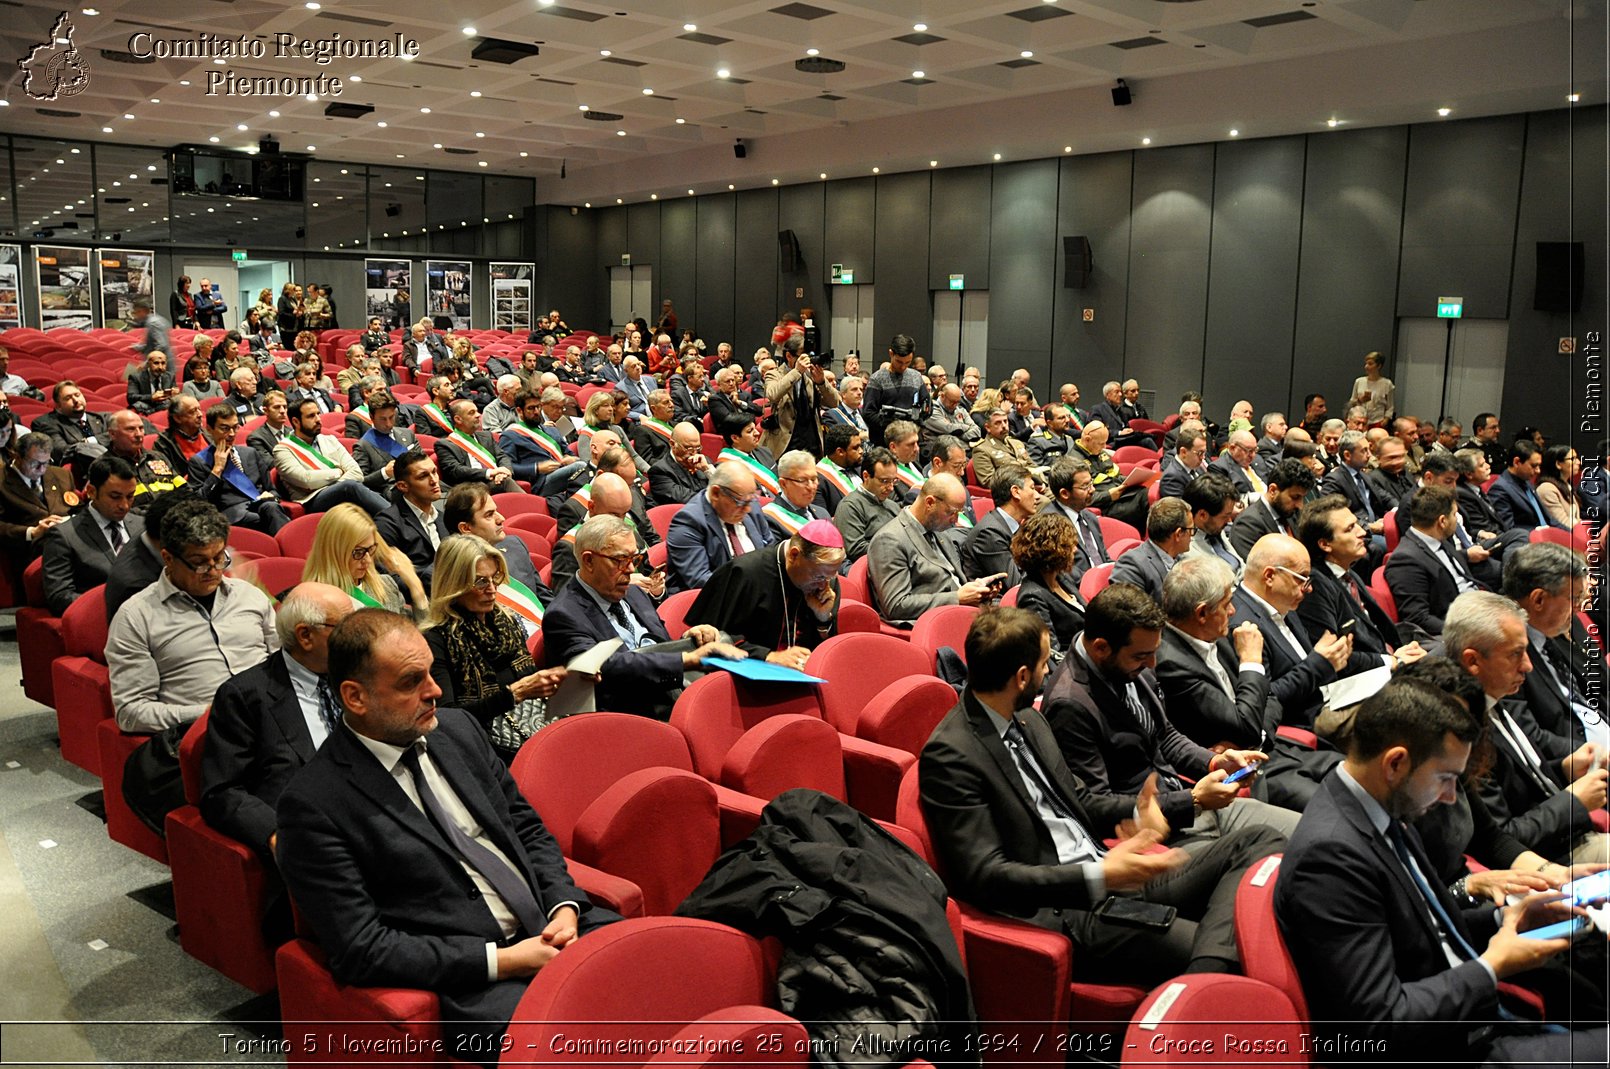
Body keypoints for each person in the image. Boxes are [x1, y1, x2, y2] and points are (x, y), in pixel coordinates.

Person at [274, 609, 619, 1059]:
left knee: (660, 973)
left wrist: (564, 906)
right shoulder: (313, 804)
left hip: (556, 927)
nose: (435, 691)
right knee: (588, 1046)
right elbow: (360, 948)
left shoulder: (456, 731)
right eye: (410, 682)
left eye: (431, 674)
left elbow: (526, 828)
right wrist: (504, 961)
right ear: (355, 697)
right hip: (478, 978)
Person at [919, 606, 1286, 984]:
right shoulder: (952, 756)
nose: (1050, 673)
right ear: (1022, 676)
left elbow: (1081, 800)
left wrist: (1153, 811)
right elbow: (986, 875)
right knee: (1243, 945)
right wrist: (1097, 875)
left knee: (1262, 840)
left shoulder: (1028, 719)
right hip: (1070, 909)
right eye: (1046, 664)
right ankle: (1213, 985)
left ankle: (1211, 965)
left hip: (1112, 869)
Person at [1275, 679, 1606, 1066]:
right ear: (1395, 763)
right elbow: (1379, 1025)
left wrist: (1509, 916)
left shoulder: (1381, 807)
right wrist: (1493, 965)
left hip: (1466, 1016)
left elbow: (1426, 928)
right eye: (1446, 778)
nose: (1451, 797)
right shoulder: (1329, 859)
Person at [1041, 584, 1298, 846]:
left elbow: (1165, 735)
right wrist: (1192, 800)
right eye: (1142, 656)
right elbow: (1094, 804)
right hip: (1155, 836)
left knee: (1308, 836)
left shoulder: (1129, 664)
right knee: (1274, 858)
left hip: (1189, 806)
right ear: (1101, 648)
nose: (1153, 664)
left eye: (1154, 652)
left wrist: (1214, 763)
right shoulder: (1070, 704)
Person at [1446, 592, 1609, 865]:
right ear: (1473, 661)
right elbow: (1501, 839)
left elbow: (1521, 781)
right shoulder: (1462, 733)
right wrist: (1573, 801)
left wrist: (1564, 767)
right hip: (1546, 861)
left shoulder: (1495, 697)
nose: (1528, 666)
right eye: (1515, 654)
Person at [200, 582, 355, 862]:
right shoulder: (245, 696)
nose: (356, 636)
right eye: (345, 628)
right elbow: (222, 792)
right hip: (314, 831)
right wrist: (275, 833)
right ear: (305, 636)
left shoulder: (358, 676)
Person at [542, 516, 748, 718]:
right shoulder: (563, 615)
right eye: (621, 560)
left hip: (671, 693)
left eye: (634, 559)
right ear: (588, 560)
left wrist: (689, 640)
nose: (631, 569)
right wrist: (688, 659)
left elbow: (658, 646)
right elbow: (606, 668)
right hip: (629, 716)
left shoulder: (633, 592)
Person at [105, 500, 278, 733]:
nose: (213, 570)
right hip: (207, 732)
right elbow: (130, 712)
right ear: (168, 559)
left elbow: (283, 662)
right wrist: (207, 713)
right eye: (199, 563)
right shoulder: (136, 616)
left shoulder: (249, 595)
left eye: (219, 558)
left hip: (274, 716)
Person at [423, 535, 568, 758]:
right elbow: (446, 718)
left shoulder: (504, 620)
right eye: (480, 581)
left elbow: (529, 680)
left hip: (530, 726)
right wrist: (514, 693)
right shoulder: (435, 639)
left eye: (495, 578)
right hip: (479, 746)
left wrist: (559, 680)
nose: (492, 589)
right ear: (454, 584)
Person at [1234, 533, 1354, 738]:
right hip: (1301, 725)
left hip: (1326, 700)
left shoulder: (1283, 604)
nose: (1309, 588)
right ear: (1270, 576)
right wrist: (1320, 664)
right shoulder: (1243, 627)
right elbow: (1265, 699)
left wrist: (1330, 659)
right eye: (1301, 579)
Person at [685, 520, 846, 665]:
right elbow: (711, 639)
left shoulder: (827, 583)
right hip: (745, 682)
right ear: (794, 555)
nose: (823, 584)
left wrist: (823, 618)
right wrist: (768, 656)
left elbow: (825, 649)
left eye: (830, 576)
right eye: (818, 576)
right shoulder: (745, 573)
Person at [1297, 494, 1427, 668]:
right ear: (1325, 544)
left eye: (1357, 524)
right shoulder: (1315, 588)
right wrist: (1393, 661)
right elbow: (1335, 657)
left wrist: (1402, 651)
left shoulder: (1348, 573)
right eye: (1350, 529)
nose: (1362, 532)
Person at [867, 474, 1001, 626]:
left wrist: (977, 590)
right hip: (933, 623)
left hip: (961, 612)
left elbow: (952, 579)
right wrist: (957, 597)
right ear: (930, 502)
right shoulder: (889, 540)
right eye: (951, 512)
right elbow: (896, 605)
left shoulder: (938, 529)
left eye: (959, 513)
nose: (956, 520)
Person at [41, 455, 142, 615]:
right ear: (91, 492)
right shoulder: (63, 536)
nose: (124, 505)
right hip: (104, 618)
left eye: (130, 496)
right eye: (115, 497)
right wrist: (115, 607)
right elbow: (59, 596)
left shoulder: (141, 526)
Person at [1385, 486, 1483, 637]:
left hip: (1477, 606)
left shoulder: (1438, 538)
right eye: (1455, 515)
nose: (1457, 520)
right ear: (1442, 521)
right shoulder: (1405, 560)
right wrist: (1466, 631)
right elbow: (1418, 618)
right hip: (1460, 625)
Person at [665, 462, 775, 595]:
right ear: (716, 493)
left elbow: (771, 549)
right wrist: (755, 588)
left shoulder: (749, 503)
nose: (748, 509)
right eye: (741, 502)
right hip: (712, 602)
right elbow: (702, 580)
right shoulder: (688, 522)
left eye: (751, 499)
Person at [303, 502, 427, 618]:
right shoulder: (312, 601)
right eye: (358, 552)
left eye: (371, 549)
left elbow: (418, 636)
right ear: (333, 552)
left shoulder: (386, 585)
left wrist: (417, 590)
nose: (367, 560)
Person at [273, 398, 392, 514]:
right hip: (312, 500)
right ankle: (396, 519)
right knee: (349, 486)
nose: (318, 419)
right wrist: (338, 472)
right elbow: (306, 480)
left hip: (343, 491)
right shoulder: (283, 449)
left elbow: (357, 473)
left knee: (368, 495)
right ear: (296, 422)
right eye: (311, 416)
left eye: (318, 414)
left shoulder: (330, 440)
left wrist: (335, 484)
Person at [187, 404, 290, 535]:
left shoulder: (250, 453)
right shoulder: (199, 461)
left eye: (235, 428)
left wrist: (271, 496)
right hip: (231, 515)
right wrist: (217, 469)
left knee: (272, 507)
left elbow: (272, 490)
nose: (231, 434)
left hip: (262, 506)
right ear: (209, 429)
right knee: (268, 515)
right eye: (224, 428)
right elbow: (198, 503)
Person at [1010, 510, 1085, 665]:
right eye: (1069, 545)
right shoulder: (1032, 596)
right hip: (1073, 669)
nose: (1075, 550)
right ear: (1053, 549)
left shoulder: (1061, 578)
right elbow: (1052, 654)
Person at [375, 450, 448, 589]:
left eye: (434, 472)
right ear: (403, 486)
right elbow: (388, 579)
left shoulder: (443, 516)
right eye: (423, 476)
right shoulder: (387, 523)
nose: (434, 481)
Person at [961, 465, 1040, 585]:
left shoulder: (1018, 526)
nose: (1038, 496)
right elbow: (1014, 584)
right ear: (1016, 492)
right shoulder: (989, 533)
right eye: (1032, 488)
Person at [1227, 458, 1314, 560]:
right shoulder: (1247, 525)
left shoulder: (1291, 513)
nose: (1300, 505)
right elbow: (1255, 571)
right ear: (1273, 490)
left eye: (1302, 498)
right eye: (1295, 497)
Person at [0, 431, 72, 552]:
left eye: (46, 462)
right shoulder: (2, 480)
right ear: (17, 457)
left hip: (69, 541)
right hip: (29, 549)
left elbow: (77, 507)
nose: (41, 469)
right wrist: (32, 532)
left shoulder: (61, 474)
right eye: (34, 463)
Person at [835, 447, 904, 563]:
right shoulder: (850, 506)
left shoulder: (892, 505)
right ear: (866, 476)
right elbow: (855, 549)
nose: (891, 488)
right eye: (884, 481)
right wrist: (898, 549)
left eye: (894, 481)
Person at [862, 334, 930, 447]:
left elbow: (927, 406)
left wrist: (917, 419)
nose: (903, 366)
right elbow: (868, 413)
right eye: (899, 362)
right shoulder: (877, 379)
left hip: (912, 440)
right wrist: (892, 424)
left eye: (907, 362)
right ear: (891, 353)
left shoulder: (916, 377)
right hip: (885, 443)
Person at [30, 381, 109, 467]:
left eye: (77, 395)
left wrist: (90, 441)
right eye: (68, 398)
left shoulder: (103, 418)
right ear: (58, 406)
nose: (75, 400)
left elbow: (121, 437)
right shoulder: (45, 423)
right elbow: (61, 451)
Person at [762, 450, 830, 538]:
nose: (811, 487)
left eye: (813, 479)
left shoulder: (822, 513)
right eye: (802, 480)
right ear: (783, 484)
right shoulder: (769, 518)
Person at [646, 421, 712, 507]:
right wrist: (717, 499)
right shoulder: (659, 471)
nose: (694, 453)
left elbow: (725, 489)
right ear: (672, 444)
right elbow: (687, 499)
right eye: (688, 448)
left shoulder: (704, 461)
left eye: (698, 447)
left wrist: (707, 470)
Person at [970, 407, 1032, 489]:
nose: (1004, 426)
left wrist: (1042, 482)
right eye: (998, 423)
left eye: (1005, 421)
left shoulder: (1017, 443)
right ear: (988, 427)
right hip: (1013, 491)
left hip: (1032, 485)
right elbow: (989, 481)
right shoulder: (981, 449)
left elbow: (1032, 465)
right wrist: (1024, 483)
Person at [1534, 444, 1582, 529]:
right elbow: (1562, 523)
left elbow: (1576, 519)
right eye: (1572, 459)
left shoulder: (1567, 485)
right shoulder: (1546, 489)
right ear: (1558, 464)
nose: (1578, 462)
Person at [1347, 349, 1395, 427]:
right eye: (1366, 364)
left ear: (1379, 366)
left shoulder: (1387, 384)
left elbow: (1390, 406)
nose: (1366, 366)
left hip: (1378, 421)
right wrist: (1360, 400)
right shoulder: (1359, 381)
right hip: (1360, 421)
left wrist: (1386, 419)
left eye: (1370, 364)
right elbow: (1352, 402)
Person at [1158, 426, 1209, 499]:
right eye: (1200, 453)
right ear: (1183, 452)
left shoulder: (1197, 467)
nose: (1203, 457)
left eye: (1204, 453)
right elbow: (1181, 509)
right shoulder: (1171, 478)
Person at [127, 350, 177, 415]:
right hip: (145, 408)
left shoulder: (170, 376)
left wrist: (176, 394)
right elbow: (131, 397)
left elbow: (173, 397)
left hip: (163, 409)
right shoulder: (135, 377)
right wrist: (151, 397)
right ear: (148, 364)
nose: (160, 367)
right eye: (156, 363)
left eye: (163, 363)